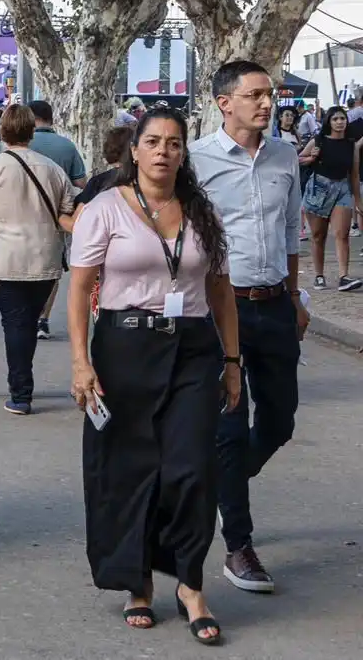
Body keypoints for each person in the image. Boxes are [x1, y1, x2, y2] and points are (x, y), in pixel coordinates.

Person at [69, 106, 241, 646]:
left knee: (192, 468)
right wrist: (80, 360)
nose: (163, 150)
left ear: (183, 153)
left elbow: (219, 291)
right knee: (128, 469)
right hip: (124, 346)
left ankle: (190, 583)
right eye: (154, 142)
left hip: (192, 348)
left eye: (173, 143)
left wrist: (232, 362)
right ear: (135, 150)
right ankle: (136, 580)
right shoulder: (104, 209)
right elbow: (79, 289)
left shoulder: (200, 213)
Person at [190, 60, 310, 595]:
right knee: (229, 428)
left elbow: (290, 230)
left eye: (271, 94)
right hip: (222, 309)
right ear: (225, 103)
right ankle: (238, 545)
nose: (268, 103)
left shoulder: (286, 155)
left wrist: (293, 296)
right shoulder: (196, 159)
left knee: (280, 421)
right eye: (257, 95)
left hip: (274, 306)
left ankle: (226, 482)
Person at [0, 104, 74, 415]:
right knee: (26, 323)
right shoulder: (53, 169)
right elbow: (68, 216)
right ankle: (22, 382)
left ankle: (21, 392)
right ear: (31, 131)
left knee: (15, 324)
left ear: (2, 132)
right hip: (45, 260)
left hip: (4, 260)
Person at [27, 100, 87, 340]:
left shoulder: (20, 146)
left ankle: (27, 316)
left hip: (22, 216)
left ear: (31, 118)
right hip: (57, 218)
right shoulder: (67, 146)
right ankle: (43, 318)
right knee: (52, 269)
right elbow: (81, 183)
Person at [298, 105, 363, 290]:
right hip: (319, 188)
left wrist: (358, 200)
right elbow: (296, 159)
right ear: (329, 121)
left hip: (342, 188)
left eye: (342, 118)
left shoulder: (351, 144)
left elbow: (355, 174)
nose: (340, 122)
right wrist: (310, 158)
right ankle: (319, 275)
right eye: (335, 119)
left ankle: (344, 276)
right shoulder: (318, 140)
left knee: (342, 234)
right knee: (319, 235)